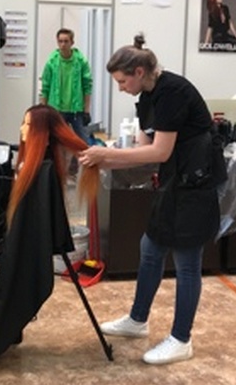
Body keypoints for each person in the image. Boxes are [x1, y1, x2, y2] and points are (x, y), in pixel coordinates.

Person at [79, 34, 224, 365]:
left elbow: (160, 151)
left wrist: (106, 155)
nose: (120, 88)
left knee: (187, 262)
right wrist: (102, 160)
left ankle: (181, 339)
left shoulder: (173, 92)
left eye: (122, 81)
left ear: (140, 72)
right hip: (173, 182)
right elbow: (142, 152)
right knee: (150, 248)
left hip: (196, 184)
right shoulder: (146, 97)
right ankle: (138, 319)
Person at [0, 105, 99, 378]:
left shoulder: (41, 171)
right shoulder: (32, 165)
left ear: (43, 135)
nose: (22, 129)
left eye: (28, 125)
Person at [40, 28, 93, 144]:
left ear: (72, 42)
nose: (63, 44)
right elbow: (45, 86)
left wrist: (86, 110)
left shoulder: (81, 62)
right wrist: (43, 110)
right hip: (56, 110)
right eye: (60, 41)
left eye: (66, 41)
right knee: (54, 142)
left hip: (76, 110)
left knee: (83, 142)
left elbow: (87, 86)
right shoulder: (51, 62)